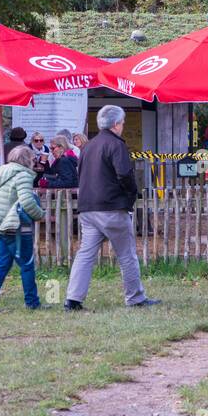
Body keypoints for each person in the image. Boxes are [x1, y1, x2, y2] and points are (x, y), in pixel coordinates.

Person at [64, 105, 158, 310]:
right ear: (116, 124)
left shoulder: (88, 146)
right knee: (126, 254)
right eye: (123, 123)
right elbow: (124, 174)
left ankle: (73, 299)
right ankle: (135, 298)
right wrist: (132, 194)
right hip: (112, 207)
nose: (123, 126)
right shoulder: (116, 145)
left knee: (85, 255)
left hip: (88, 208)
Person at [0, 145, 43, 312]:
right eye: (33, 160)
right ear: (27, 160)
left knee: (2, 264)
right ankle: (32, 303)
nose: (34, 163)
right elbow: (27, 201)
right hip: (16, 227)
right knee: (27, 264)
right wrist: (40, 214)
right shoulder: (23, 175)